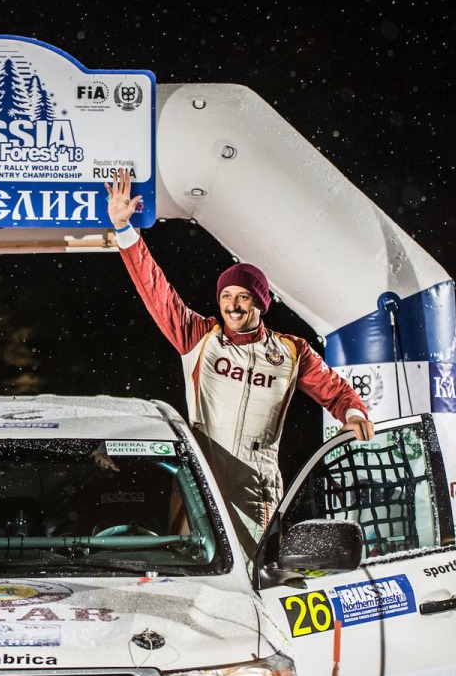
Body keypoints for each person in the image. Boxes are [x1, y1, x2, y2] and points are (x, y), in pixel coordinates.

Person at [104, 170, 373, 552]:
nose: (232, 304)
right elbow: (156, 291)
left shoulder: (291, 351)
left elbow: (336, 391)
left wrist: (355, 413)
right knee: (196, 572)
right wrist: (124, 230)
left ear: (260, 303)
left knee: (255, 574)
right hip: (201, 485)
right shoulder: (199, 337)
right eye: (226, 296)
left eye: (243, 296)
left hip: (257, 487)